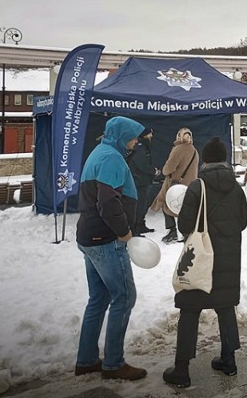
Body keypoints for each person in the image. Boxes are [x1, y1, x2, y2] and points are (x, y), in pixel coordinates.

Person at [163, 137, 247, 388]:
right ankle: (229, 360)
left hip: (200, 261)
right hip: (228, 260)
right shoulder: (236, 188)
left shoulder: (196, 187)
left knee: (189, 310)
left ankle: (181, 369)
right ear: (224, 159)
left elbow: (185, 225)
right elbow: (242, 222)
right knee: (225, 308)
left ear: (206, 160)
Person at [74, 116, 147, 381]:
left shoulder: (100, 152)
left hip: (89, 236)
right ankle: (114, 363)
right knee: (124, 297)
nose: (136, 141)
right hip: (105, 240)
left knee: (99, 298)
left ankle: (86, 359)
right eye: (133, 135)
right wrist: (125, 232)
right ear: (121, 135)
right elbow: (108, 202)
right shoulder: (112, 158)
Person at [151, 128, 199, 243]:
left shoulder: (178, 149)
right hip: (190, 184)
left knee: (166, 204)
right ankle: (187, 232)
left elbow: (168, 169)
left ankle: (172, 231)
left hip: (175, 184)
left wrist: (164, 170)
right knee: (185, 208)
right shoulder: (194, 150)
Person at [127, 127, 159, 236]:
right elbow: (141, 165)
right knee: (139, 206)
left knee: (143, 205)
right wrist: (152, 171)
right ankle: (135, 229)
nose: (152, 136)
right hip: (139, 182)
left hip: (143, 181)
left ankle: (141, 225)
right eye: (150, 134)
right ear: (145, 135)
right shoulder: (140, 148)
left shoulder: (143, 146)